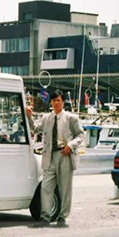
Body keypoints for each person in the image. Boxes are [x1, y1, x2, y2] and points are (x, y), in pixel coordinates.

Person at [27, 89, 85, 228]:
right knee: (46, 187)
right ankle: (45, 216)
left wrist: (70, 146)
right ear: (51, 102)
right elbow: (35, 129)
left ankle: (62, 216)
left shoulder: (71, 118)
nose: (56, 103)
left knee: (65, 188)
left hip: (64, 155)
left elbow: (81, 135)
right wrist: (29, 117)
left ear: (62, 102)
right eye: (53, 101)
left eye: (58, 100)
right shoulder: (47, 118)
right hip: (49, 156)